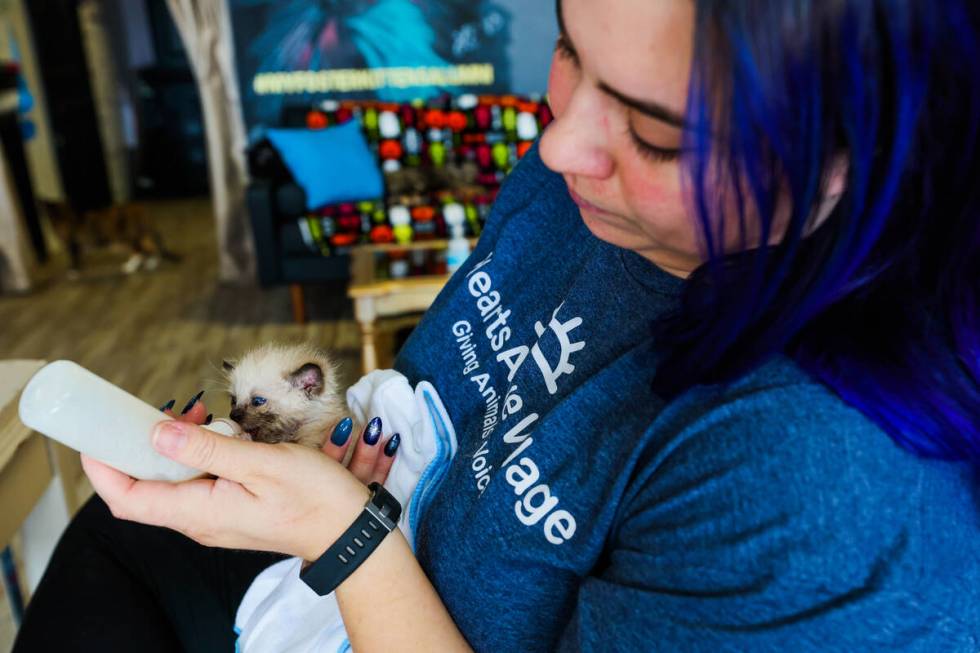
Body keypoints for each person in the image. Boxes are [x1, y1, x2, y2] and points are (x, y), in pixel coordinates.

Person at [15, 0, 980, 650]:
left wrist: (339, 531)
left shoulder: (816, 486)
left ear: (870, 157)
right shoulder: (583, 186)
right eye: (569, 46)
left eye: (656, 132)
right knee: (114, 531)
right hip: (324, 574)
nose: (557, 142)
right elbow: (472, 393)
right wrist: (359, 473)